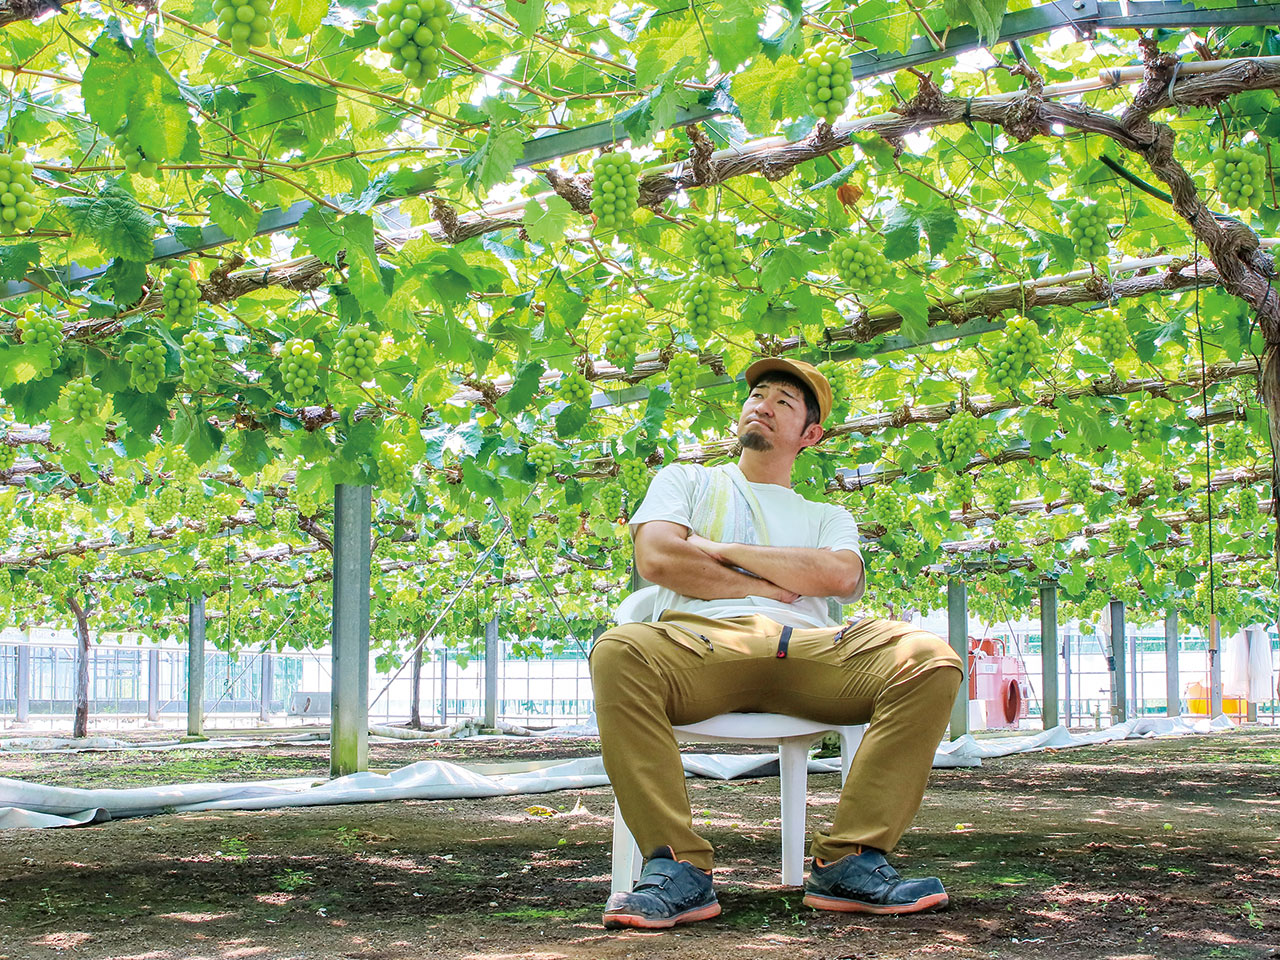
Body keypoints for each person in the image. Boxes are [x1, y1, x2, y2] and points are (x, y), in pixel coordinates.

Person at [589, 357, 964, 930]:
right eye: (757, 394)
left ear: (810, 434)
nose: (761, 404)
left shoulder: (826, 515)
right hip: (699, 646)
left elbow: (840, 576)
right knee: (617, 650)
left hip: (812, 650)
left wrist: (718, 548)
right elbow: (659, 557)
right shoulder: (687, 480)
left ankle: (850, 861)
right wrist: (774, 581)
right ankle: (677, 868)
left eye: (783, 402)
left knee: (930, 659)